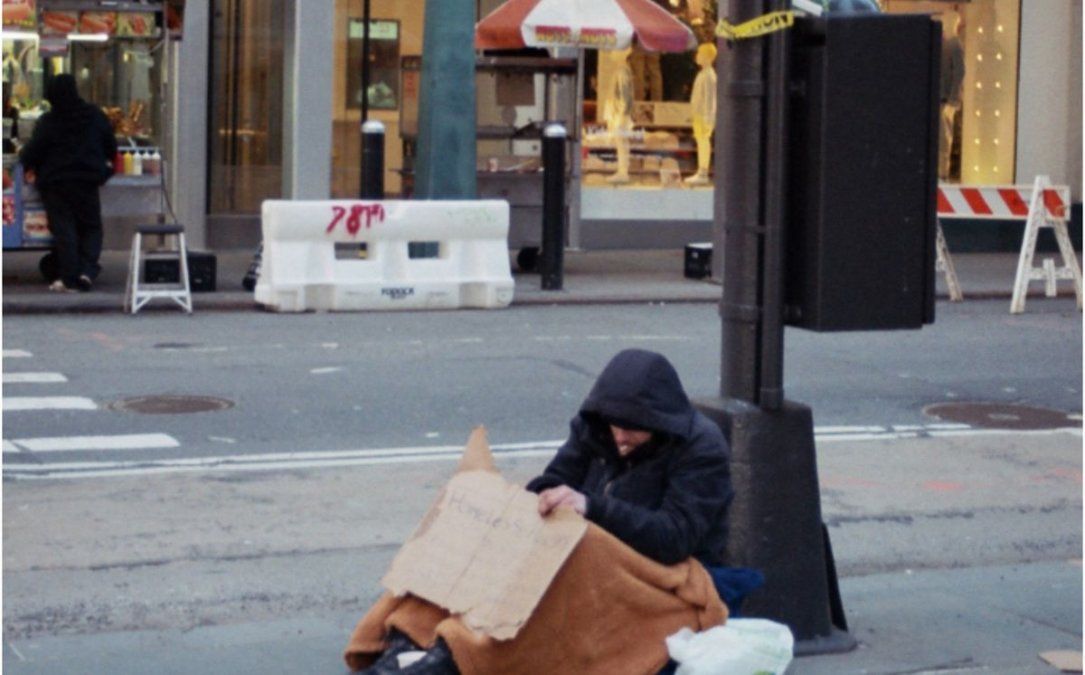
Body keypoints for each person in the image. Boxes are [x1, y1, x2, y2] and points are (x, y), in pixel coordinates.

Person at [346, 349, 734, 674]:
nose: (620, 436)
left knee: (569, 560)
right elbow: (557, 476)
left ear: (660, 422)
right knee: (484, 536)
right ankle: (407, 636)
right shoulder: (595, 426)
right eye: (615, 425)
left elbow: (675, 537)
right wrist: (536, 501)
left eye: (633, 428)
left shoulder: (701, 448)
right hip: (591, 546)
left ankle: (455, 654)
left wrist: (590, 506)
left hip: (661, 570)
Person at [19, 73, 117, 292]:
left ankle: (69, 277)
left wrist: (28, 166)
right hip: (87, 181)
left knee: (65, 230)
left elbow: (31, 153)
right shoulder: (94, 115)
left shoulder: (48, 121)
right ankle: (87, 272)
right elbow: (110, 147)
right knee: (91, 227)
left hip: (56, 183)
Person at [685, 43, 717, 186]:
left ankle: (703, 171)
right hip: (700, 115)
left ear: (708, 57)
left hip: (704, 116)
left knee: (703, 142)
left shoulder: (709, 76)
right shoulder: (703, 74)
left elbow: (710, 100)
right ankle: (701, 170)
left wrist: (708, 118)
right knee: (701, 142)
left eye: (700, 54)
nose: (697, 56)